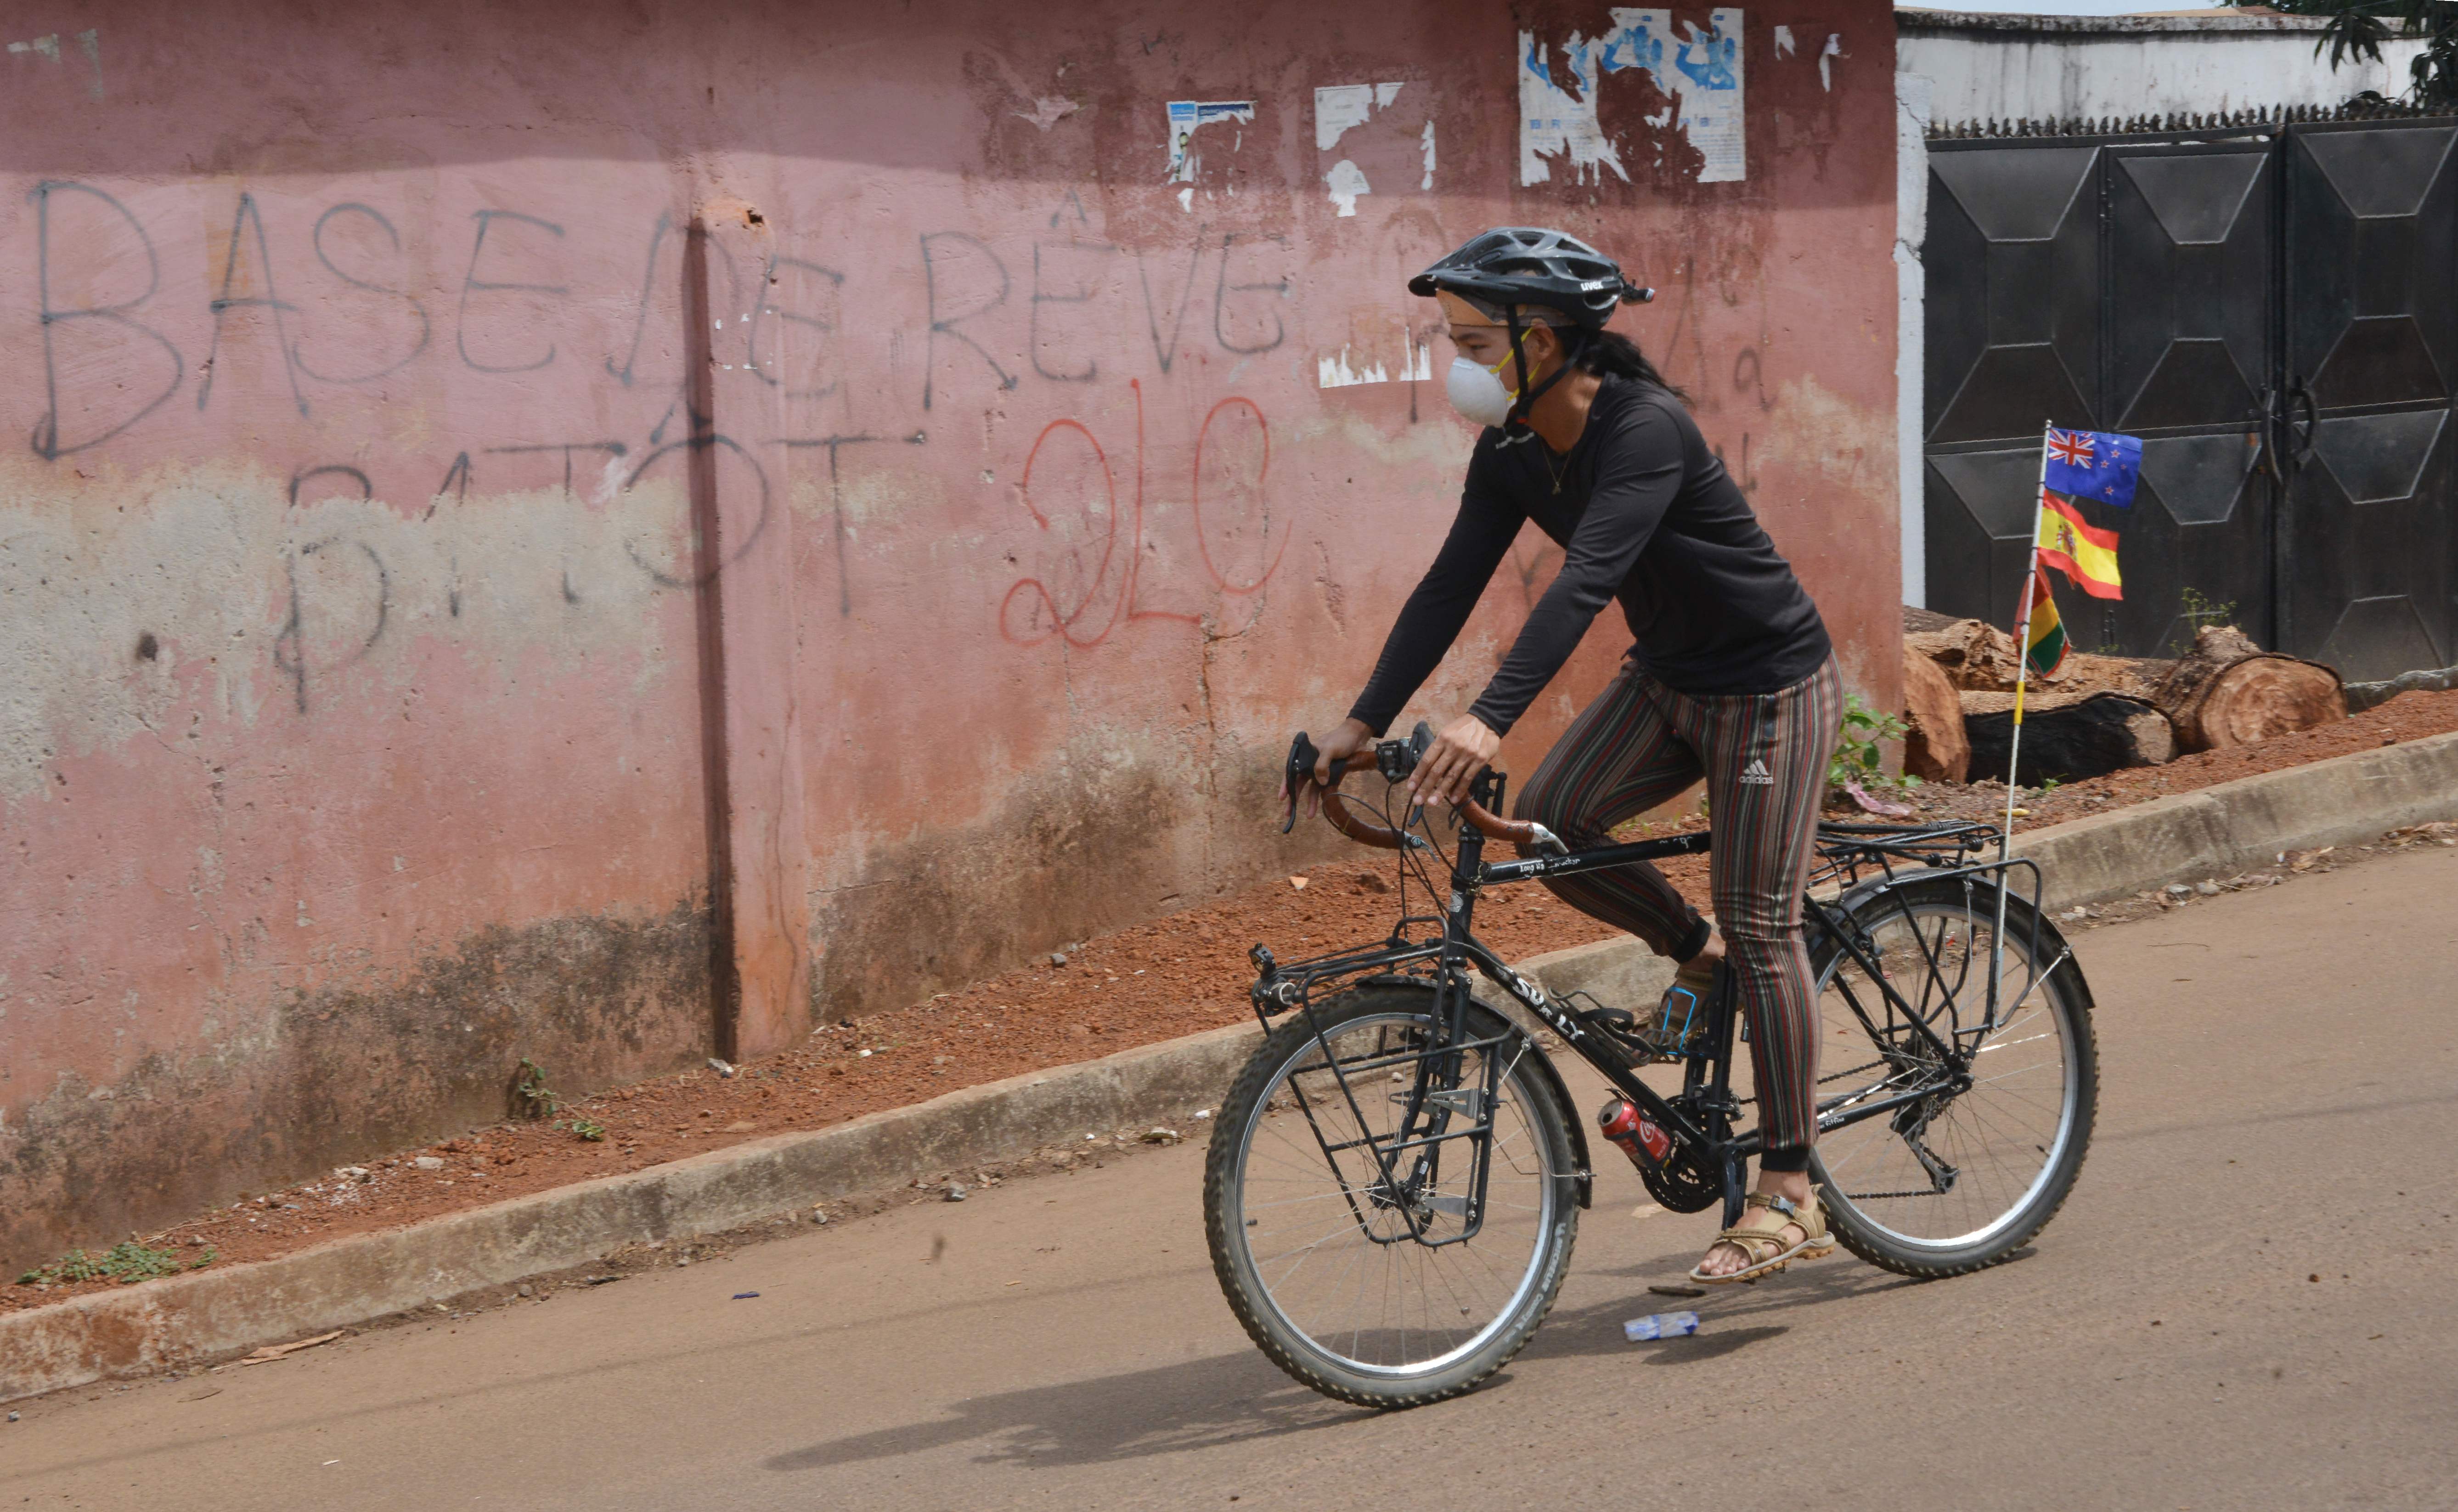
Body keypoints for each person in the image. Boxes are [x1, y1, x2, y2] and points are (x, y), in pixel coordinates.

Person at [1294, 227, 1843, 1285]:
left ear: (1538, 341)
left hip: (1770, 689)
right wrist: (1363, 721)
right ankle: (1697, 949)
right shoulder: (1510, 449)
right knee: (1557, 823)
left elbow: (1584, 581)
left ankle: (1790, 1189)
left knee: (1769, 924)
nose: (1451, 359)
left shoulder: (1646, 430)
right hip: (1672, 677)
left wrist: (1488, 718)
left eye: (1467, 338)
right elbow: (1448, 585)